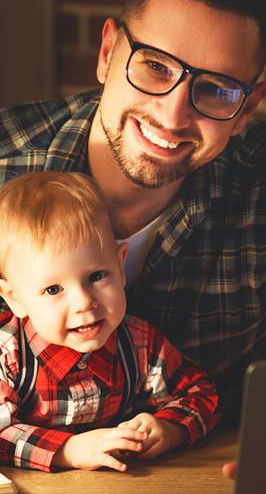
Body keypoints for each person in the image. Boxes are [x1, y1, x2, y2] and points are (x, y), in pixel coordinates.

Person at [0, 0, 266, 428]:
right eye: (156, 66)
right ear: (109, 53)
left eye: (216, 89)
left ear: (249, 107)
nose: (173, 116)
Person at [0, 171, 219, 472]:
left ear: (120, 265)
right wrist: (68, 450)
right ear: (15, 298)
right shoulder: (8, 356)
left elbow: (200, 394)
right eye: (53, 289)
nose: (84, 302)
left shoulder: (141, 343)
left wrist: (170, 429)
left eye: (96, 276)